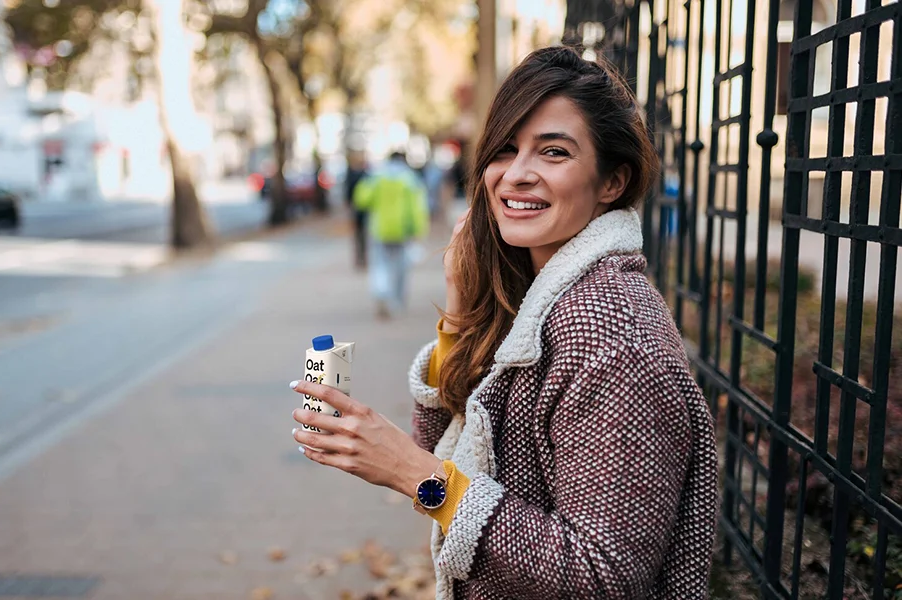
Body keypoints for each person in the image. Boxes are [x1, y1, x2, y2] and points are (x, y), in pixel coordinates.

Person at [290, 46, 718, 599]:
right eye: (505, 150)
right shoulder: (540, 298)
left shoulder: (612, 336)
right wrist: (461, 310)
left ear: (612, 182)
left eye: (554, 152)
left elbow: (603, 577)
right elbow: (451, 446)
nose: (516, 175)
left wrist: (414, 475)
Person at [353, 151, 429, 319]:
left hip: (379, 229)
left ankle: (381, 292)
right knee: (401, 267)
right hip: (403, 229)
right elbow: (417, 207)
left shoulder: (376, 176)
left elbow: (361, 199)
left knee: (380, 264)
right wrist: (417, 230)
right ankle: (397, 301)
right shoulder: (409, 178)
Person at [344, 151, 369, 269]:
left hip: (360, 207)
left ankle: (361, 257)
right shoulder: (363, 174)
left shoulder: (360, 174)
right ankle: (361, 257)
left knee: (361, 234)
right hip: (359, 208)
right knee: (360, 234)